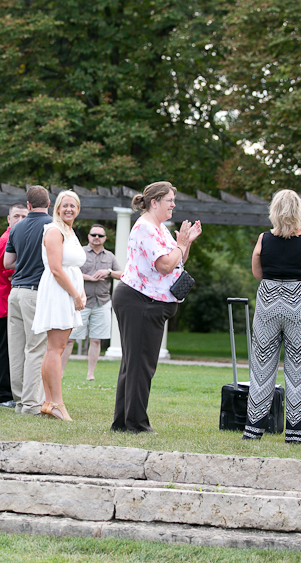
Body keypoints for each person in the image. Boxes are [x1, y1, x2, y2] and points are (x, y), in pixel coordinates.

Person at [111, 181, 201, 433]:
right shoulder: (145, 228)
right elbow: (164, 264)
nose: (174, 204)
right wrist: (181, 244)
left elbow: (177, 261)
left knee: (134, 365)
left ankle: (122, 423)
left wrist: (186, 242)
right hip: (139, 302)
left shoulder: (159, 229)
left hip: (146, 304)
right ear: (155, 202)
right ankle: (136, 425)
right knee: (140, 366)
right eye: (170, 200)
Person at [242, 189, 301, 444]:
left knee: (262, 365)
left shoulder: (263, 239)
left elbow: (257, 273)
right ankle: (296, 434)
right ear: (300, 212)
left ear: (274, 212)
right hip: (299, 302)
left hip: (268, 301)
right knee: (300, 367)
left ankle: (253, 429)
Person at [31, 190, 86, 421]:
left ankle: (49, 402)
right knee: (55, 349)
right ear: (57, 208)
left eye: (73, 206)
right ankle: (57, 404)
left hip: (68, 292)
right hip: (59, 292)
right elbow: (55, 269)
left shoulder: (69, 231)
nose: (69, 209)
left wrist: (79, 290)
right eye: (65, 205)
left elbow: (72, 267)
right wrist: (75, 295)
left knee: (56, 348)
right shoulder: (54, 230)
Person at [4, 186, 53, 415]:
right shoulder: (53, 226)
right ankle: (32, 405)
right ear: (49, 203)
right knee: (36, 349)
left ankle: (21, 403)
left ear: (29, 205)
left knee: (16, 349)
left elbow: (7, 262)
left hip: (15, 293)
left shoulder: (17, 227)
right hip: (36, 293)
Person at [60, 223, 122, 381]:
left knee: (96, 339)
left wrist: (108, 272)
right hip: (80, 301)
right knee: (70, 338)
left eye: (100, 236)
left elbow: (123, 274)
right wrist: (89, 277)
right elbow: (69, 272)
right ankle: (59, 372)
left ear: (105, 238)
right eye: (94, 235)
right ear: (88, 236)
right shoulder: (79, 252)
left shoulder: (110, 256)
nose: (96, 238)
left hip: (102, 302)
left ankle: (90, 375)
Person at [0, 203, 29, 408]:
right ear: (8, 219)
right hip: (5, 301)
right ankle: (2, 394)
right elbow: (9, 272)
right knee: (5, 349)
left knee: (2, 348)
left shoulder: (16, 238)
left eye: (24, 216)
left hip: (5, 301)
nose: (20, 219)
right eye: (16, 216)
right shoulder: (7, 240)